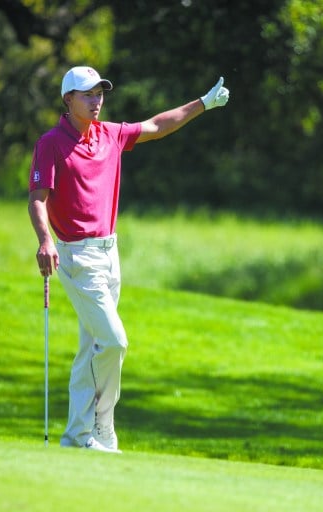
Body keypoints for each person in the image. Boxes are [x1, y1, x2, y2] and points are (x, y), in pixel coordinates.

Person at [28, 65, 229, 453]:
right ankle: (102, 427)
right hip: (76, 255)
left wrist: (202, 104)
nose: (96, 99)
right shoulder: (51, 142)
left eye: (100, 92)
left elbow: (156, 125)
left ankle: (75, 436)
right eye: (87, 94)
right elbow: (38, 199)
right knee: (114, 341)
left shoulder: (110, 134)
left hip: (109, 252)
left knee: (93, 347)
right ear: (68, 99)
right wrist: (45, 241)